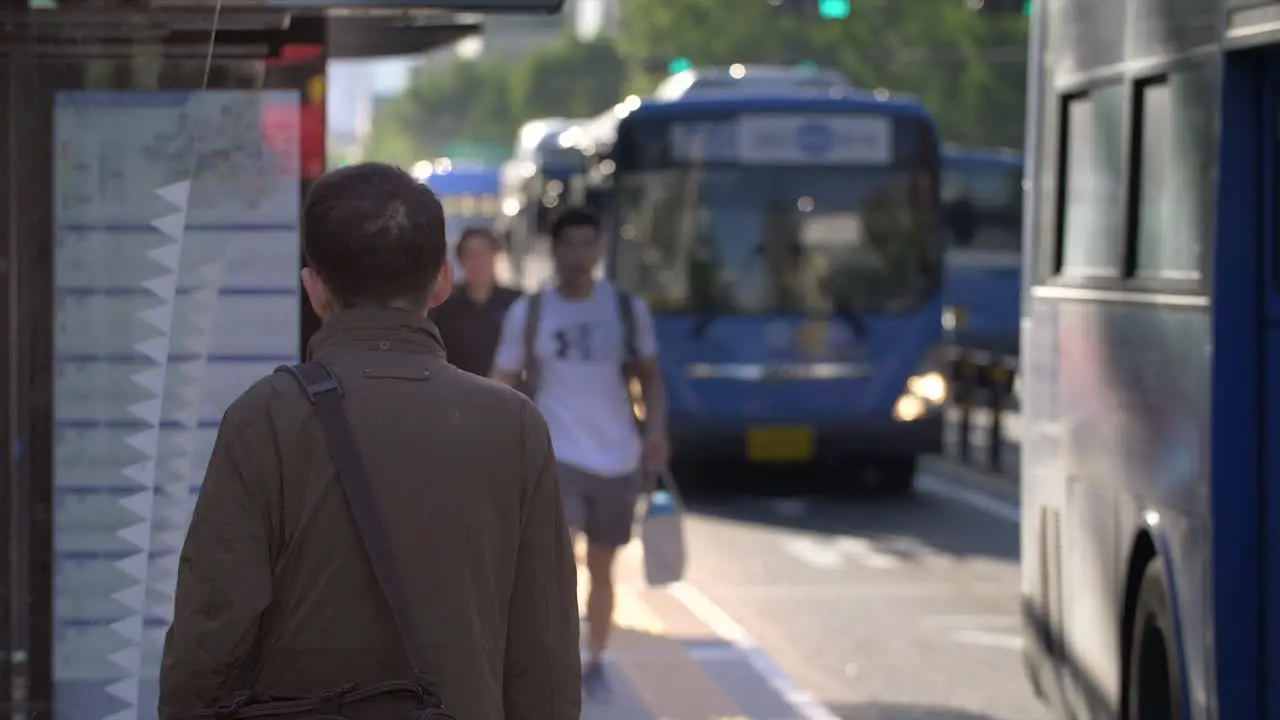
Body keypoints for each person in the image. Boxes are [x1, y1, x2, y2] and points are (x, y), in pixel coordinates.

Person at [159, 163, 580, 720]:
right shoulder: (514, 426)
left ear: (314, 288)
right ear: (441, 281)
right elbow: (543, 652)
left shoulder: (265, 417)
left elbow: (211, 626)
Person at [491, 207, 671, 699]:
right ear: (555, 249)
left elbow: (650, 378)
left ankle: (596, 659)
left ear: (600, 248)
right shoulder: (530, 314)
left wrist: (656, 431)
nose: (579, 255)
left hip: (617, 458)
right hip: (556, 455)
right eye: (570, 244)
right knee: (557, 564)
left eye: (589, 244)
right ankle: (556, 661)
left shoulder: (627, 309)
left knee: (604, 567)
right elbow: (501, 382)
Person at [431, 226, 522, 377]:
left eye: (484, 254)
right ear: (461, 260)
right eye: (471, 255)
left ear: (495, 256)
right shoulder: (445, 308)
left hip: (508, 394)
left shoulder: (516, 303)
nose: (478, 261)